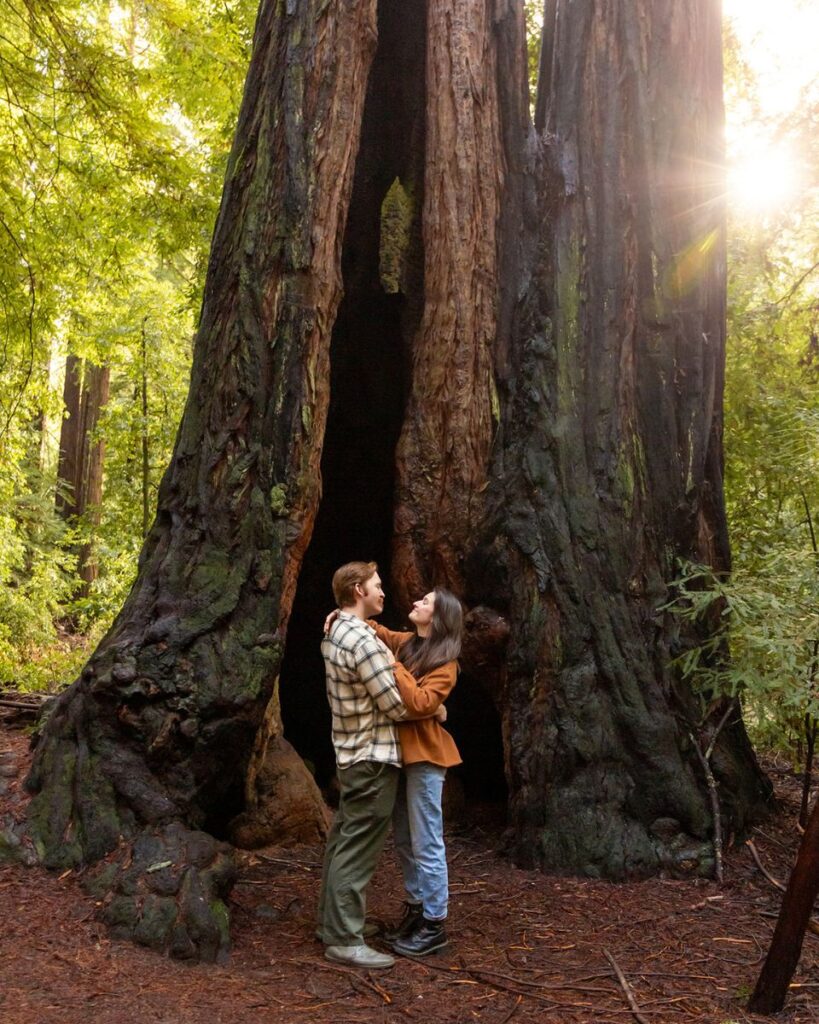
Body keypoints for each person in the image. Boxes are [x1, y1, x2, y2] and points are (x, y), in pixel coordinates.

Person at [317, 561, 443, 969]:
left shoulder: (339, 630)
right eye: (377, 585)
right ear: (358, 591)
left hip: (350, 753)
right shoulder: (364, 642)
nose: (384, 592)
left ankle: (332, 924)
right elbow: (395, 704)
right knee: (356, 851)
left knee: (342, 842)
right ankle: (343, 939)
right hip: (372, 758)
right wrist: (435, 710)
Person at [368, 588, 463, 957]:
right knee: (405, 840)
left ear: (438, 618)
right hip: (400, 757)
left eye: (425, 603)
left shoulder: (447, 663)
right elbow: (374, 630)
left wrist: (391, 666)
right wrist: (339, 615)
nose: (415, 604)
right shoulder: (406, 642)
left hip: (426, 758)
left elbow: (421, 702)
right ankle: (416, 908)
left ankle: (435, 924)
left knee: (427, 842)